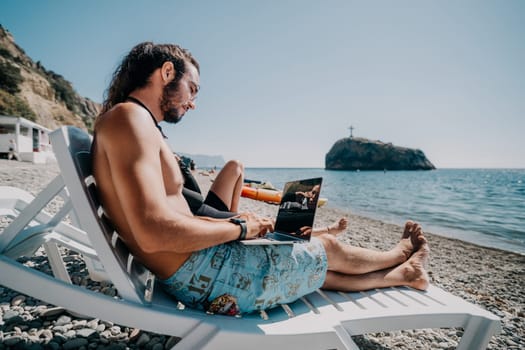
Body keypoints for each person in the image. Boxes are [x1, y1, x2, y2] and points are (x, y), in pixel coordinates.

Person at [92, 42, 430, 315]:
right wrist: (241, 229)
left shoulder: (133, 123)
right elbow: (153, 232)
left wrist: (242, 226)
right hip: (207, 278)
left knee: (307, 259)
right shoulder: (129, 119)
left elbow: (166, 221)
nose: (192, 102)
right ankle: (399, 254)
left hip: (195, 273)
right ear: (167, 72)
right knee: (323, 247)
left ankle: (404, 274)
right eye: (191, 89)